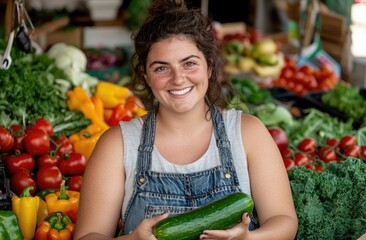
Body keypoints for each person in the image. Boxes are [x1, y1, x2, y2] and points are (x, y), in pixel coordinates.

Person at [73, 0, 298, 239]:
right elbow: (88, 235)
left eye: (189, 64)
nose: (178, 79)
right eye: (161, 68)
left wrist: (249, 239)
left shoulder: (248, 133)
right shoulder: (117, 144)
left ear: (209, 68)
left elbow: (284, 221)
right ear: (146, 77)